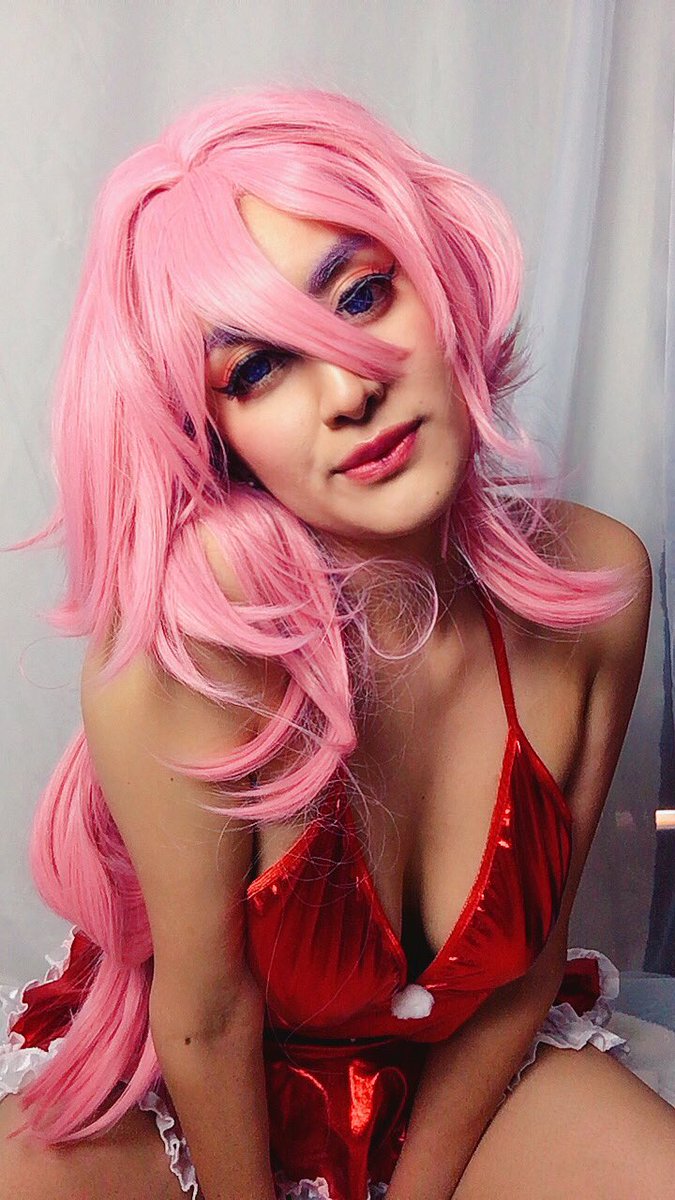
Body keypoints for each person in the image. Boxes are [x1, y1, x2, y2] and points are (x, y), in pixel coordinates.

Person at [1, 86, 674, 1200]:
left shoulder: (599, 589)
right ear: (212, 436)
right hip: (202, 1090)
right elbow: (207, 1018)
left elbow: (525, 975)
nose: (349, 389)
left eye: (361, 294)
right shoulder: (191, 654)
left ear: (442, 280)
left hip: (456, 1073)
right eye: (258, 370)